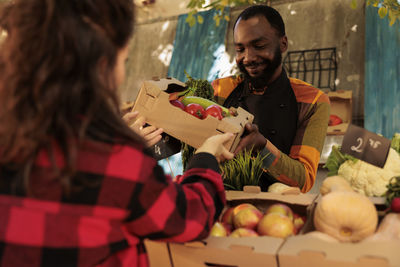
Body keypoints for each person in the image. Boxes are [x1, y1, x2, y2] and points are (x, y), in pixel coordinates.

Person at [0, 1, 234, 266]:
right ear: (100, 67)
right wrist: (205, 156)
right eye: (123, 61)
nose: (122, 74)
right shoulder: (114, 159)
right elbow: (189, 217)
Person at [212, 5, 330, 193]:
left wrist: (262, 147)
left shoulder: (313, 101)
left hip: (277, 213)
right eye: (240, 49)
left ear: (283, 44)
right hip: (219, 203)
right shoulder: (220, 89)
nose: (248, 57)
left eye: (259, 46)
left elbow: (304, 179)